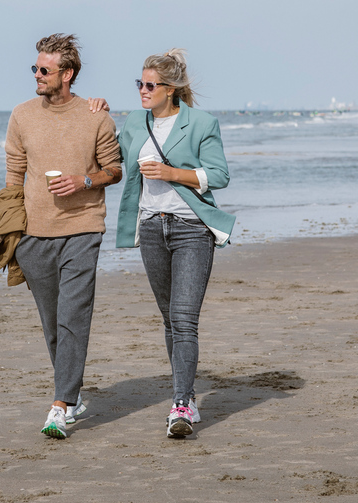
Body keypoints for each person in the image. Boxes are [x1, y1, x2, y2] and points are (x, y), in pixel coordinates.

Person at [5, 33, 122, 439]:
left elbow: (115, 170)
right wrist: (12, 232)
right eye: (35, 68)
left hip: (83, 230)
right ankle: (71, 394)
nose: (37, 75)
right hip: (34, 236)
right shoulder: (21, 115)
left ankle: (59, 407)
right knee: (53, 323)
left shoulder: (96, 117)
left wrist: (84, 180)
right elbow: (14, 173)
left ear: (67, 74)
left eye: (44, 70)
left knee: (74, 317)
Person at [114, 49, 236, 438]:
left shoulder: (201, 123)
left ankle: (182, 404)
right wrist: (94, 113)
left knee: (184, 319)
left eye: (150, 85)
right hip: (151, 228)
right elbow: (111, 158)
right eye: (140, 84)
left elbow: (219, 175)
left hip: (191, 229)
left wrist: (171, 173)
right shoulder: (135, 122)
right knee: (170, 319)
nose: (143, 91)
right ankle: (186, 395)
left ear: (171, 90)